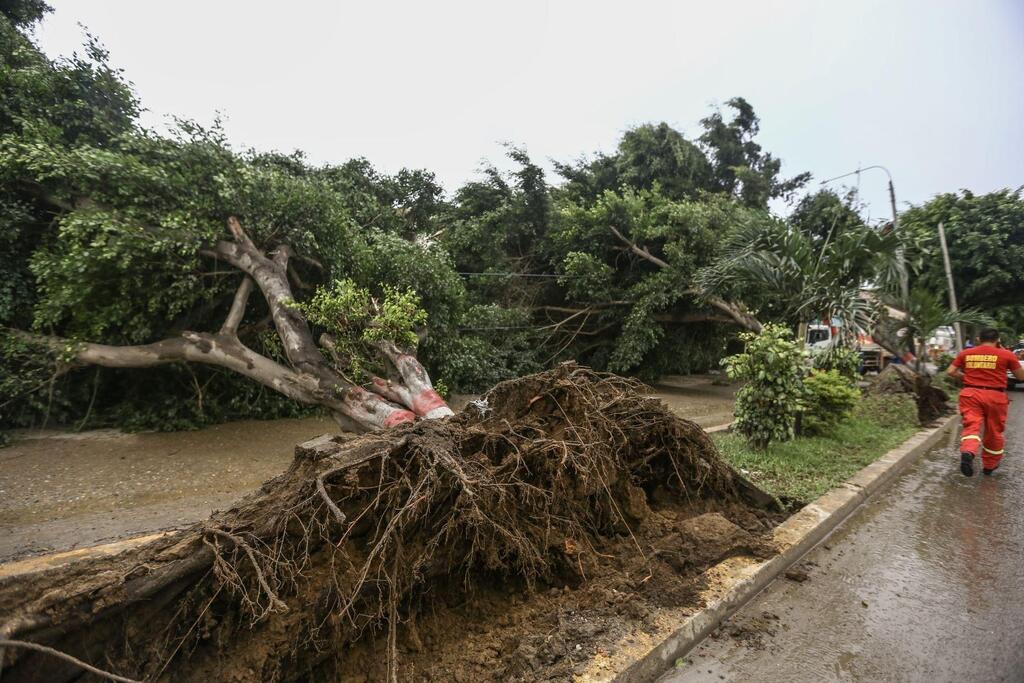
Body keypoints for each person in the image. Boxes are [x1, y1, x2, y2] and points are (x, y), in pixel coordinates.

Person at [947, 328, 1024, 476]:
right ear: (998, 339)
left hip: (970, 394)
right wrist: (1001, 349)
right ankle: (989, 466)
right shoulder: (1006, 355)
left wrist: (966, 378)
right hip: (995, 396)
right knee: (994, 431)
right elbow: (1020, 377)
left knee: (971, 425)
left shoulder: (966, 353)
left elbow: (950, 371)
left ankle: (968, 451)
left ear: (978, 339)